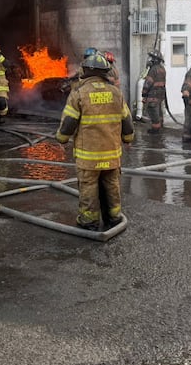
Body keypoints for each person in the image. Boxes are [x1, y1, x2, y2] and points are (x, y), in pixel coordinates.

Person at [56, 51, 135, 231]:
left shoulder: (79, 93)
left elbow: (68, 123)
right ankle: (114, 218)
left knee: (89, 189)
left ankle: (89, 222)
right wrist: (128, 139)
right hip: (112, 155)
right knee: (112, 187)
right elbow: (127, 121)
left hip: (89, 157)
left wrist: (61, 138)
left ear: (86, 71)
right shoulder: (116, 93)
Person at [141, 51, 166, 132]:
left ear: (155, 60)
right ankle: (160, 126)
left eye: (151, 58)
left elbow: (148, 83)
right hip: (160, 94)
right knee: (159, 111)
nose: (150, 60)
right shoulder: (162, 69)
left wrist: (144, 94)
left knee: (153, 111)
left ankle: (155, 130)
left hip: (153, 95)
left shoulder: (153, 69)